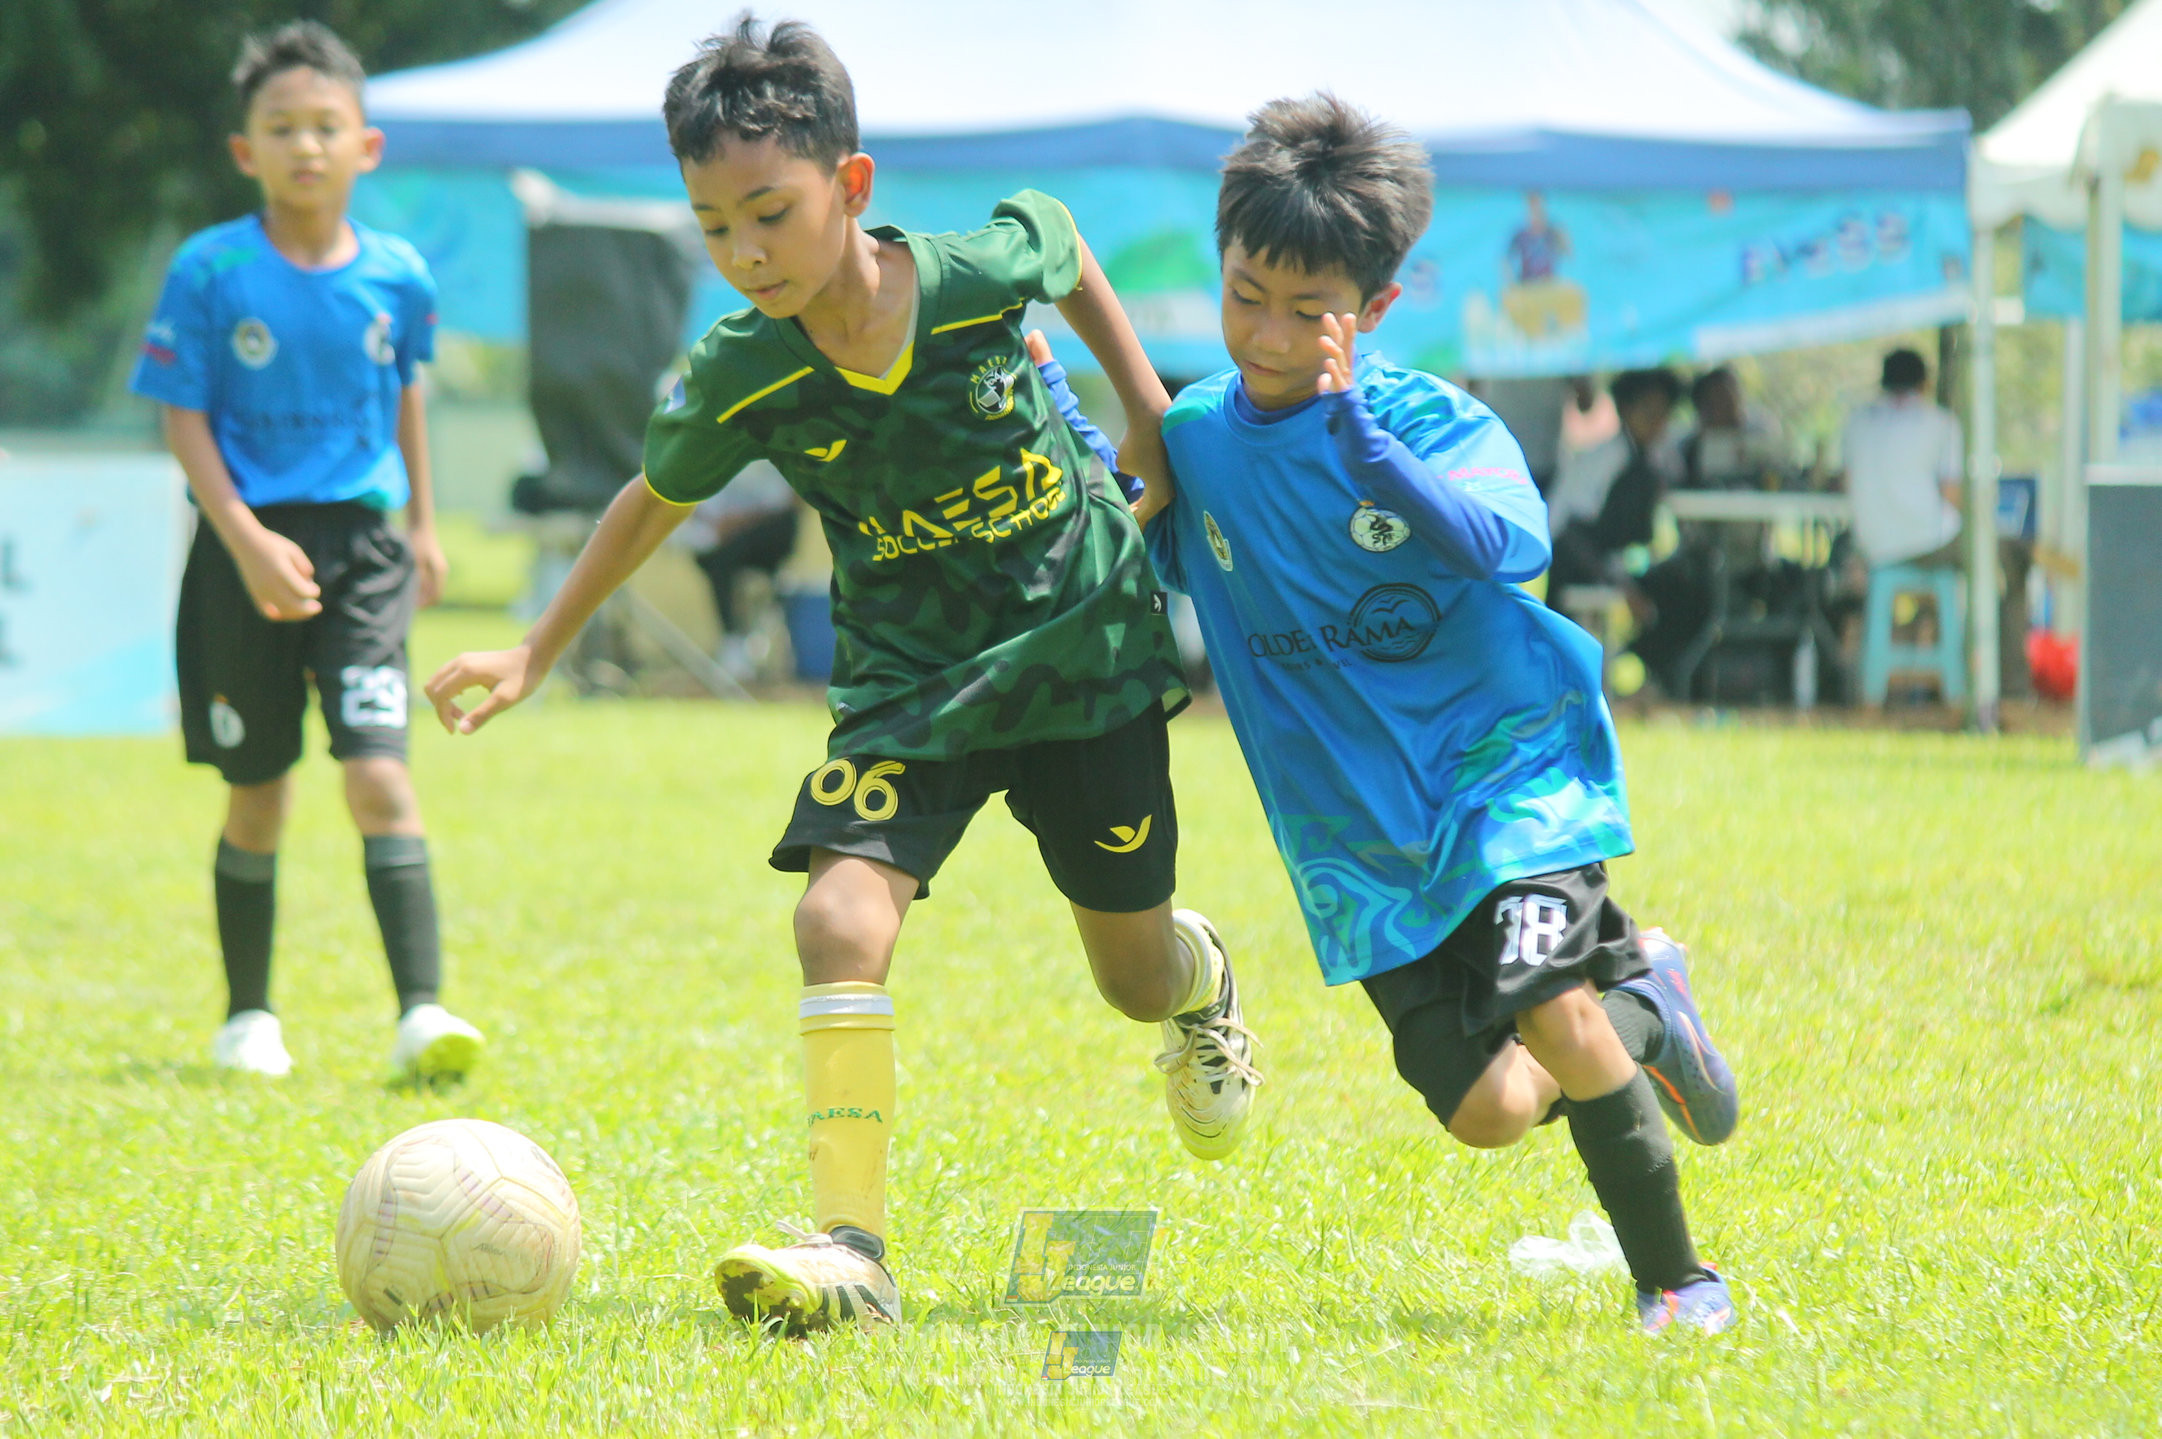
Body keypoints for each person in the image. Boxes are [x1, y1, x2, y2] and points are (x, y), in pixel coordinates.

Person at [422, 17, 1258, 1335]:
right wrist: (535, 645)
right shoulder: (741, 369)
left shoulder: (975, 273)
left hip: (1079, 644)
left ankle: (1198, 978)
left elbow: (1059, 236)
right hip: (903, 682)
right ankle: (852, 1249)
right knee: (836, 919)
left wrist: (1147, 414)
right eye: (713, 228)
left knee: (1129, 976)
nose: (743, 252)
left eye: (769, 213)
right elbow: (649, 499)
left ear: (849, 187)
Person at [1057, 94, 1740, 1334]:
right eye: (1242, 294)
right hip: (1357, 836)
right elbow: (1158, 568)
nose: (1265, 335)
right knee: (1486, 1111)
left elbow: (1510, 541)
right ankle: (1652, 996)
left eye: (1305, 310)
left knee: (1553, 1007)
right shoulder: (1199, 434)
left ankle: (1679, 1280)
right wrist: (1089, 467)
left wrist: (1370, 450)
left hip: (1500, 780)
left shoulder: (1425, 421)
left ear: (1371, 310)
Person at [127, 23, 484, 1083]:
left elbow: (405, 388)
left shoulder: (399, 275)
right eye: (281, 128)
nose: (306, 146)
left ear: (365, 146)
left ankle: (422, 1011)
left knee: (379, 774)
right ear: (245, 150)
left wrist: (421, 523)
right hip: (247, 546)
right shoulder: (211, 268)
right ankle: (248, 1018)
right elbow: (182, 417)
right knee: (260, 790)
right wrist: (243, 541)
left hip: (364, 546)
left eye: (325, 126)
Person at [1841, 348, 2031, 695]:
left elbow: (1846, 483)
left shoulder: (1858, 421)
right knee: (2015, 558)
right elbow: (1952, 495)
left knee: (1973, 562)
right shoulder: (1940, 423)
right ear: (1925, 383)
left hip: (1871, 545)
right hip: (1925, 542)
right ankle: (2011, 683)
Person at [1545, 368, 1683, 616]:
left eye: (1664, 413)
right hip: (1574, 568)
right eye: (1648, 411)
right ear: (1625, 409)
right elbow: (1570, 533)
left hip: (1614, 567)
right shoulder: (1605, 459)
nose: (1657, 421)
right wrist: (1622, 586)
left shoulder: (1654, 459)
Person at [681, 460, 800, 680]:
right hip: (727, 538)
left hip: (772, 531)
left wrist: (736, 524)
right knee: (714, 560)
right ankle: (734, 642)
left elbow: (788, 502)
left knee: (726, 558)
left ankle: (751, 643)